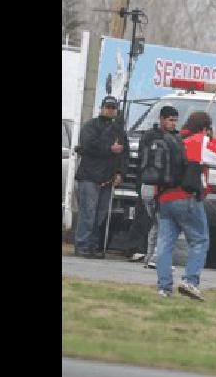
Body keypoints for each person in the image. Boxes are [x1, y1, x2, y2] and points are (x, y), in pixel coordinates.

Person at [154, 111, 216, 300]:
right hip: (186, 197)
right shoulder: (198, 140)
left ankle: (164, 288)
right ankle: (190, 280)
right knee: (199, 240)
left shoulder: (173, 140)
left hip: (164, 198)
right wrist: (213, 137)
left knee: (164, 244)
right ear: (205, 128)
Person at [73, 96, 128, 258]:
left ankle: (93, 245)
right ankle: (82, 244)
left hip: (108, 178)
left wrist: (120, 173)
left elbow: (125, 155)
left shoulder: (119, 130)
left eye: (113, 107)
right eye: (108, 107)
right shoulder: (90, 126)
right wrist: (110, 148)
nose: (110, 110)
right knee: (88, 213)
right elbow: (87, 146)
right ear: (102, 107)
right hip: (89, 176)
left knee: (101, 214)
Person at [135, 106, 179, 269]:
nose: (173, 124)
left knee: (157, 223)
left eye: (175, 120)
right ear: (162, 119)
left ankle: (150, 256)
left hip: (161, 186)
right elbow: (147, 161)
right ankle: (158, 258)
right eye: (170, 120)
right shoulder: (151, 137)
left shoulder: (174, 137)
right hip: (152, 185)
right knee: (164, 223)